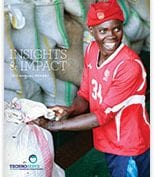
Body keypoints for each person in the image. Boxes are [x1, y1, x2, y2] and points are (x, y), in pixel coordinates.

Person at [31, 0, 150, 176]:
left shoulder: (129, 66)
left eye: (116, 28)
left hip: (129, 145)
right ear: (92, 30)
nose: (111, 36)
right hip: (110, 141)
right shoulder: (92, 51)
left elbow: (102, 116)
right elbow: (85, 95)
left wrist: (55, 126)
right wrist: (70, 110)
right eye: (103, 30)